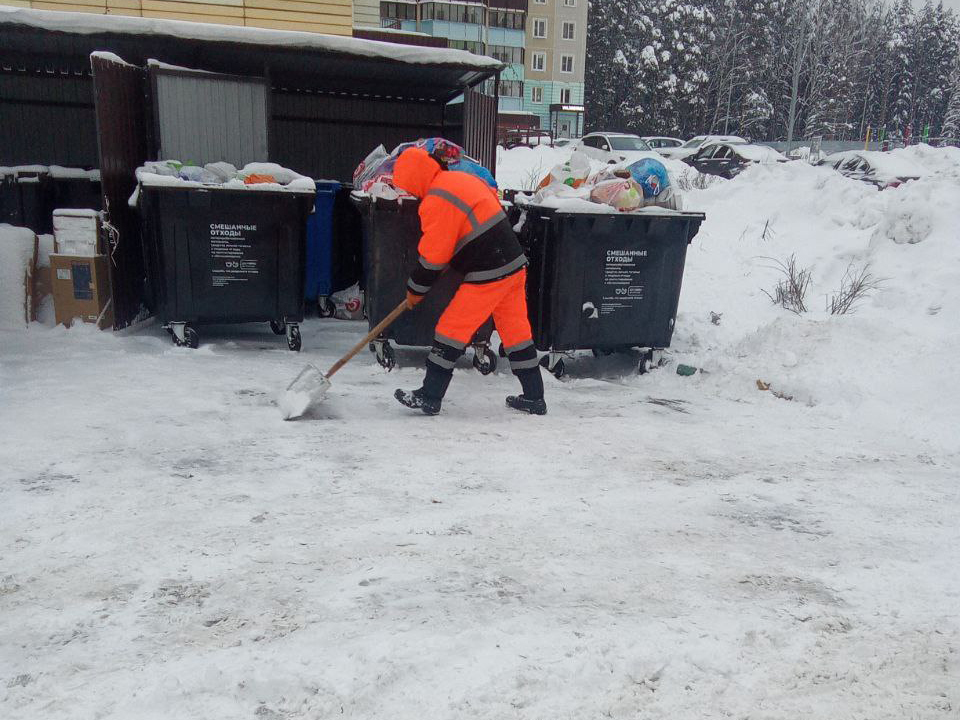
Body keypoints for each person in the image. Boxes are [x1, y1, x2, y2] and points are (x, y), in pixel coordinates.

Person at [391, 146, 546, 416]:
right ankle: (534, 397)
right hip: (512, 264)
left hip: (489, 271)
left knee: (452, 328)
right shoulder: (460, 179)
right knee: (516, 333)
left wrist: (415, 289)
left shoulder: (436, 199)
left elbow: (433, 257)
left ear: (413, 178)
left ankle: (430, 395)